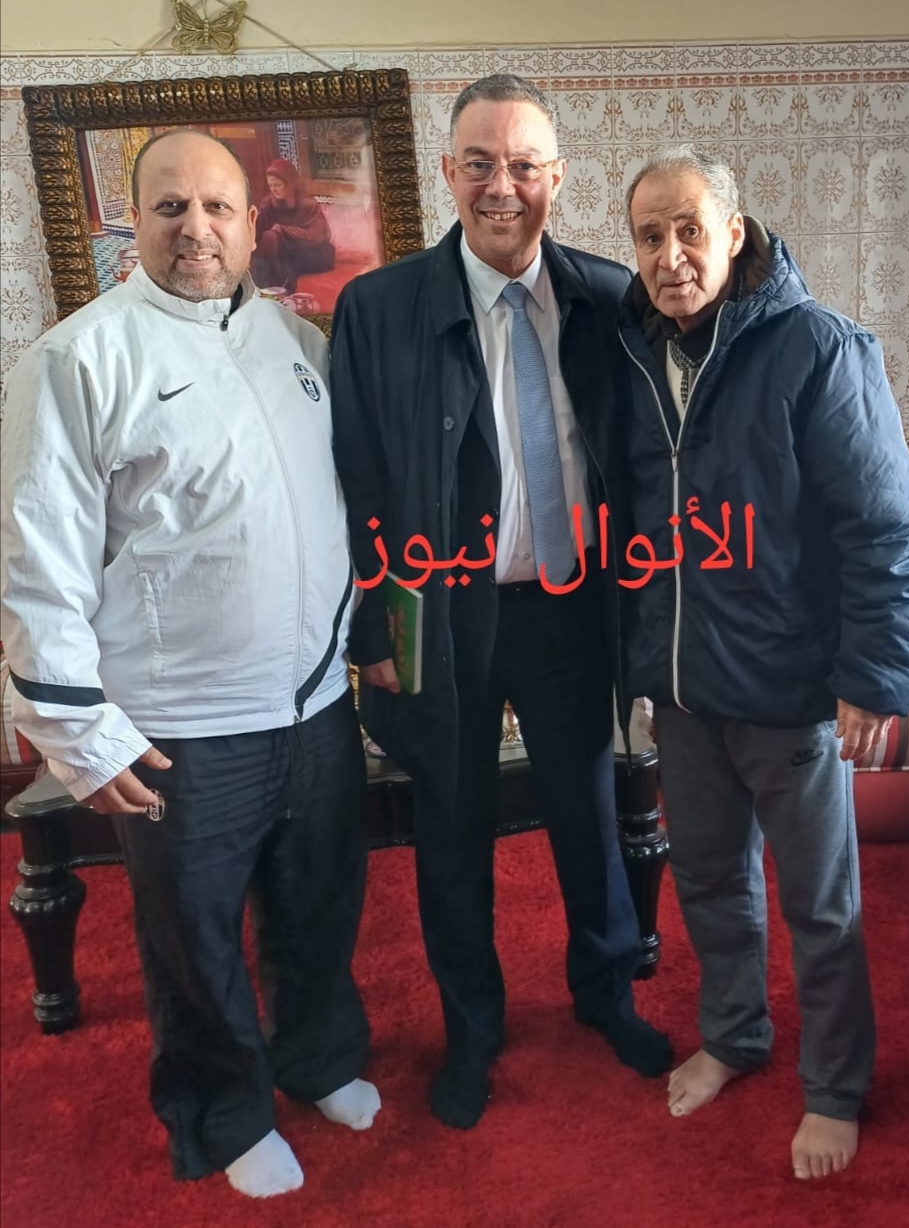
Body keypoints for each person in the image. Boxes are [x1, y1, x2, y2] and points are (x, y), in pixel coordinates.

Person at [0, 130, 379, 1199]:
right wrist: (77, 730)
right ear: (136, 223)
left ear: (253, 224)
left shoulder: (293, 343)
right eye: (171, 208)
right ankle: (224, 1112)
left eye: (217, 208)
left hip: (314, 703)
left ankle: (318, 1057)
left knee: (319, 903)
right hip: (180, 725)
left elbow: (330, 511)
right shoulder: (79, 359)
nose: (196, 229)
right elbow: (36, 558)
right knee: (193, 939)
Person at [330, 73, 671, 1130]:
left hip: (571, 606)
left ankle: (606, 993)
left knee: (589, 815)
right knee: (453, 829)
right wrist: (374, 628)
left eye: (523, 165)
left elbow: (644, 461)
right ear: (448, 172)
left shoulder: (611, 298)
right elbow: (358, 479)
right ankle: (471, 1032)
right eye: (479, 163)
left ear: (557, 178)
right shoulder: (379, 310)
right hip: (442, 614)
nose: (501, 187)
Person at [618, 146, 909, 1180]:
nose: (671, 255)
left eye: (689, 230)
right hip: (685, 694)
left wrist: (874, 675)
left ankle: (835, 1088)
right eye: (650, 237)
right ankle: (735, 1036)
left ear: (734, 232)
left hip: (790, 691)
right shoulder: (633, 356)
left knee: (821, 904)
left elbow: (887, 526)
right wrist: (640, 667)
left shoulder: (818, 347)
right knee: (710, 881)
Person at [252, 157, 335, 293]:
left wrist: (283, 230)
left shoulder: (307, 204)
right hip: (284, 251)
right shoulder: (269, 203)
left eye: (278, 185)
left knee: (280, 247)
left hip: (313, 251)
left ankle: (280, 288)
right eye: (271, 186)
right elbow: (257, 232)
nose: (274, 190)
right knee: (268, 238)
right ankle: (268, 287)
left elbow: (317, 236)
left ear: (290, 184)